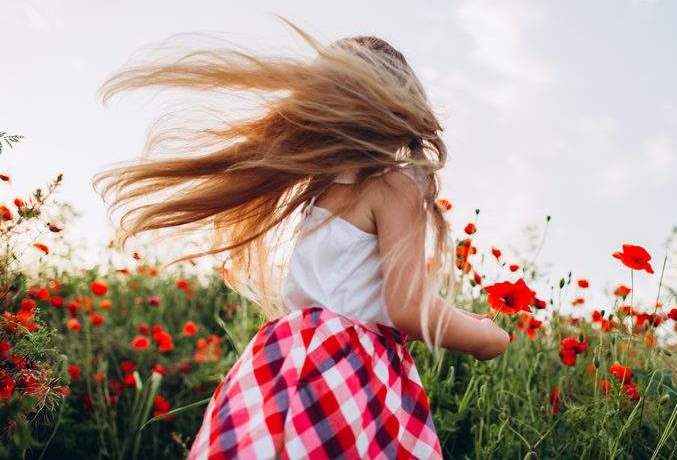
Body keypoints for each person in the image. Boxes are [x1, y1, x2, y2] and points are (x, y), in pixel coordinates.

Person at [95, 20, 510, 459]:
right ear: (401, 107)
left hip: (282, 358)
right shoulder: (395, 185)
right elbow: (407, 308)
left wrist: (459, 314)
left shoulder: (324, 186)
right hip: (347, 369)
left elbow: (375, 294)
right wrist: (486, 340)